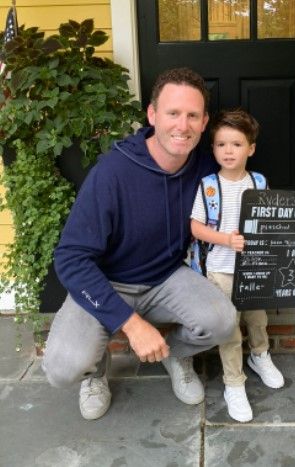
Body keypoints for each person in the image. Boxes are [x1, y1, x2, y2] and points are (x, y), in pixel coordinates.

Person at [42, 68, 236, 420]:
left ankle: (175, 355)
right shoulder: (113, 172)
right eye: (173, 113)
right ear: (151, 115)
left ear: (205, 121)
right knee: (62, 367)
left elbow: (244, 196)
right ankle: (96, 372)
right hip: (108, 280)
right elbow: (70, 257)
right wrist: (131, 324)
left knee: (222, 321)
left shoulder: (206, 165)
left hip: (166, 277)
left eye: (193, 115)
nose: (183, 125)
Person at [190, 109, 295, 422]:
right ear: (213, 149)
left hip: (256, 269)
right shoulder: (209, 186)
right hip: (220, 270)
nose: (228, 151)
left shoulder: (258, 182)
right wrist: (224, 239)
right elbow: (195, 227)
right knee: (230, 329)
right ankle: (233, 382)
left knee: (258, 319)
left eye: (236, 144)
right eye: (221, 145)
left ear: (251, 149)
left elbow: (276, 218)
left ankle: (260, 356)